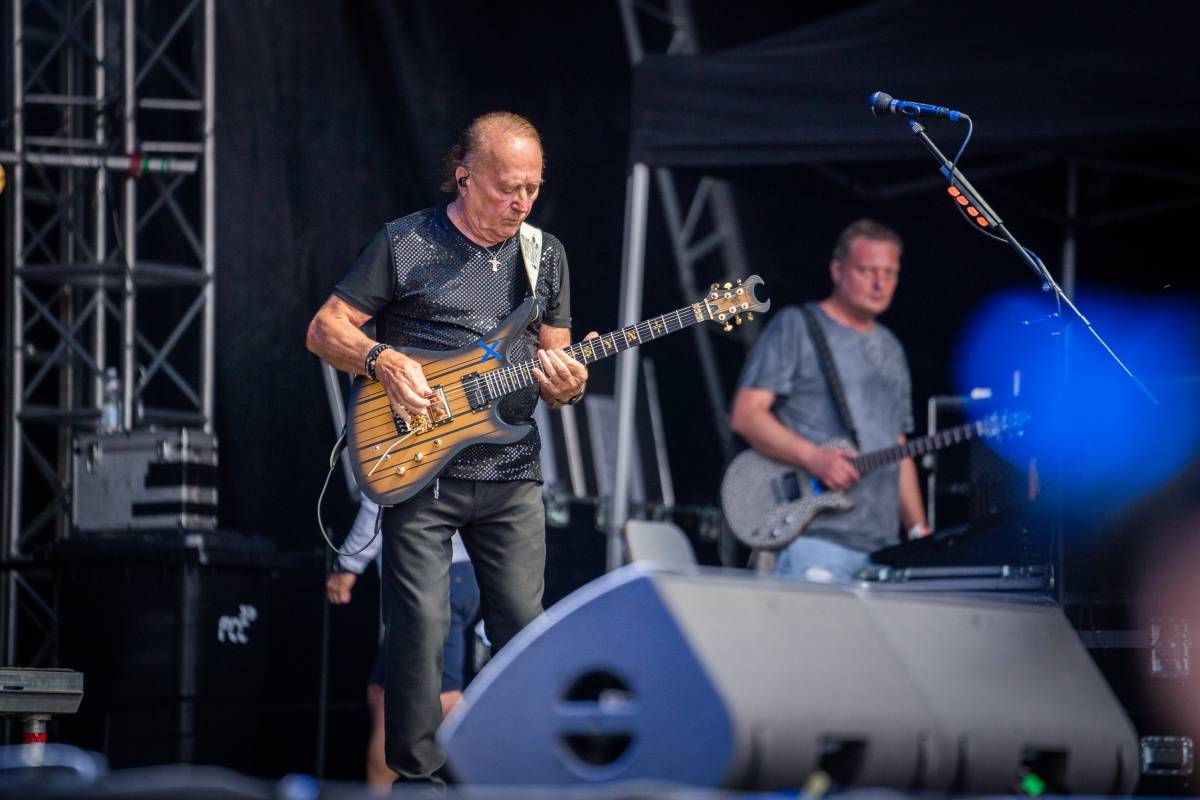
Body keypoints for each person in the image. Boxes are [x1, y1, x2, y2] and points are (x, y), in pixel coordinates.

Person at [306, 111, 589, 784]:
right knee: (422, 628)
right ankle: (419, 781)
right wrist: (380, 359)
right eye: (506, 188)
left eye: (532, 188)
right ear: (465, 177)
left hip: (509, 466)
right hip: (418, 467)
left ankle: (526, 771)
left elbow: (555, 367)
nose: (520, 202)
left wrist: (569, 384)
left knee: (525, 621)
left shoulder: (544, 255)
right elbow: (325, 329)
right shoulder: (405, 243)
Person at [729, 219, 930, 583]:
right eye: (868, 270)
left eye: (890, 272)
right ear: (837, 270)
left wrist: (918, 531)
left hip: (884, 548)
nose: (879, 283)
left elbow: (898, 448)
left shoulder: (891, 348)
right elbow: (746, 414)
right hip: (814, 540)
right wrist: (813, 458)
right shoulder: (798, 326)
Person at [325, 497, 479, 789]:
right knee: (381, 693)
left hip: (431, 578)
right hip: (449, 575)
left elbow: (379, 499)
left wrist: (348, 565)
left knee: (435, 708)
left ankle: (507, 778)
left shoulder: (395, 449)